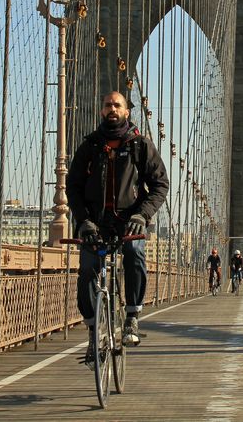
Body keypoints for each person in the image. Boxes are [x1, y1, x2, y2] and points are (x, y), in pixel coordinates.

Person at [67, 91, 169, 366]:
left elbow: (160, 185)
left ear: (127, 111)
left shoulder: (140, 145)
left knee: (135, 253)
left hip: (130, 221)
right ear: (101, 111)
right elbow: (73, 187)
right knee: (88, 270)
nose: (111, 108)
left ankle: (133, 316)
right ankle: (92, 331)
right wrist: (82, 221)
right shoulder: (89, 146)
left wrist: (142, 214)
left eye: (117, 105)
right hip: (96, 223)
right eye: (107, 105)